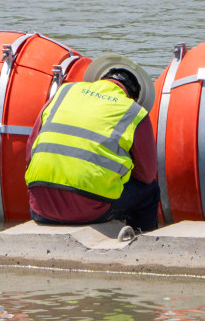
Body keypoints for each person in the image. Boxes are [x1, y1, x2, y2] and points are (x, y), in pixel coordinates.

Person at [24, 65, 160, 232]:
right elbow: (146, 175)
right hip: (89, 211)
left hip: (40, 205)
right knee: (150, 190)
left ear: (99, 79)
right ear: (133, 97)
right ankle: (140, 245)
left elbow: (31, 147)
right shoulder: (134, 112)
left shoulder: (64, 91)